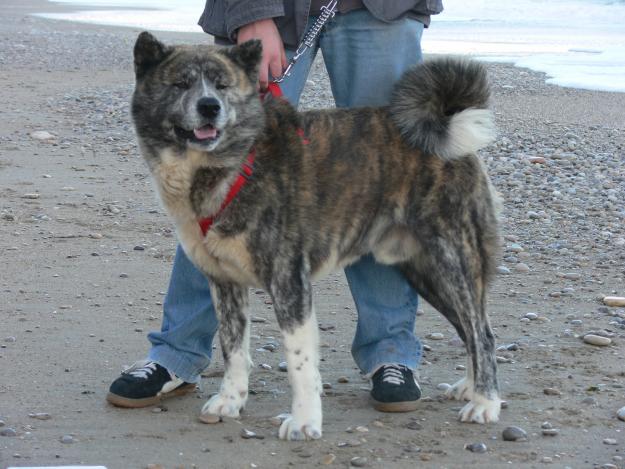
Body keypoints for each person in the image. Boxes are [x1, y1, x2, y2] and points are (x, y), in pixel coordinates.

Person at [107, 0, 443, 414]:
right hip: (275, 8)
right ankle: (176, 352)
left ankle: (390, 352)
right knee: (210, 180)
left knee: (382, 179)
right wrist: (252, 12)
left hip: (381, 9)